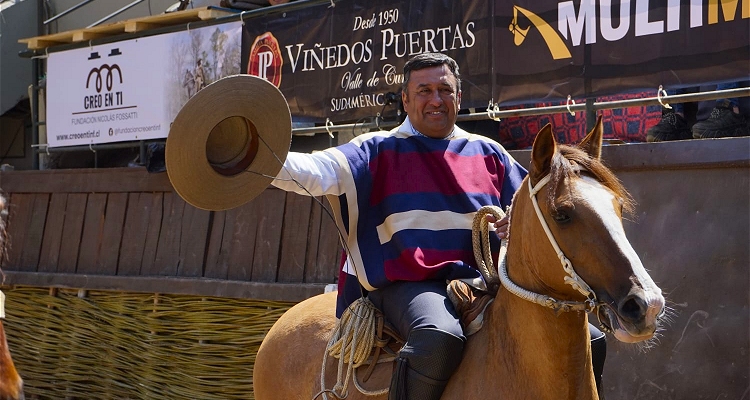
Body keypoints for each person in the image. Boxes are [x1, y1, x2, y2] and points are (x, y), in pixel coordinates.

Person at [272, 52, 607, 400]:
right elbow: (313, 171)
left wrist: (515, 225)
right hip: (407, 283)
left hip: (484, 284)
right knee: (438, 335)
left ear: (459, 98)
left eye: (445, 90)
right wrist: (258, 156)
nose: (436, 100)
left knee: (590, 337)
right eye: (424, 91)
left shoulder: (489, 153)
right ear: (405, 99)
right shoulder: (375, 150)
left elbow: (534, 211)